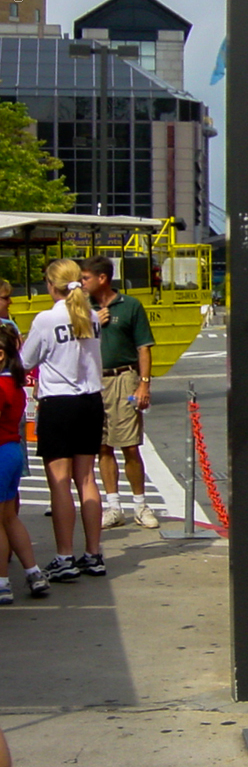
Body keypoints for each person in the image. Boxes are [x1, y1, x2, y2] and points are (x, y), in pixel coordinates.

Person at [20, 258, 106, 581]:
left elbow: (27, 360)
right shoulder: (92, 316)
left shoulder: (46, 319)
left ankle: (64, 556)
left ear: (51, 285)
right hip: (91, 402)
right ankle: (94, 553)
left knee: (59, 481)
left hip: (59, 403)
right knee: (87, 478)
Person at [80, 256, 159, 529]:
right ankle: (114, 506)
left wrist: (144, 383)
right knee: (102, 445)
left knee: (129, 444)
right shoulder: (81, 307)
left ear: (102, 278)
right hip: (92, 381)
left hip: (124, 377)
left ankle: (140, 505)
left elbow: (144, 347)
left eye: (86, 278)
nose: (82, 283)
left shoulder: (130, 306)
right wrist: (92, 324)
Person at [0, 324, 49, 602]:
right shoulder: (15, 384)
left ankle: (3, 583)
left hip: (0, 452)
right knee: (9, 518)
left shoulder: (0, 385)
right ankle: (33, 572)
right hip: (11, 451)